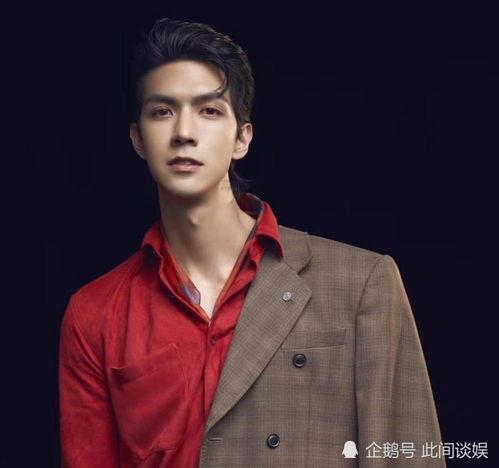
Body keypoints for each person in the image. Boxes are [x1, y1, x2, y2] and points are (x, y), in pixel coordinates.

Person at [58, 18, 446, 467]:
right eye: (162, 111)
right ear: (137, 139)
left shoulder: (360, 283)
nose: (184, 132)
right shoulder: (97, 314)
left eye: (209, 111)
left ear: (242, 137)